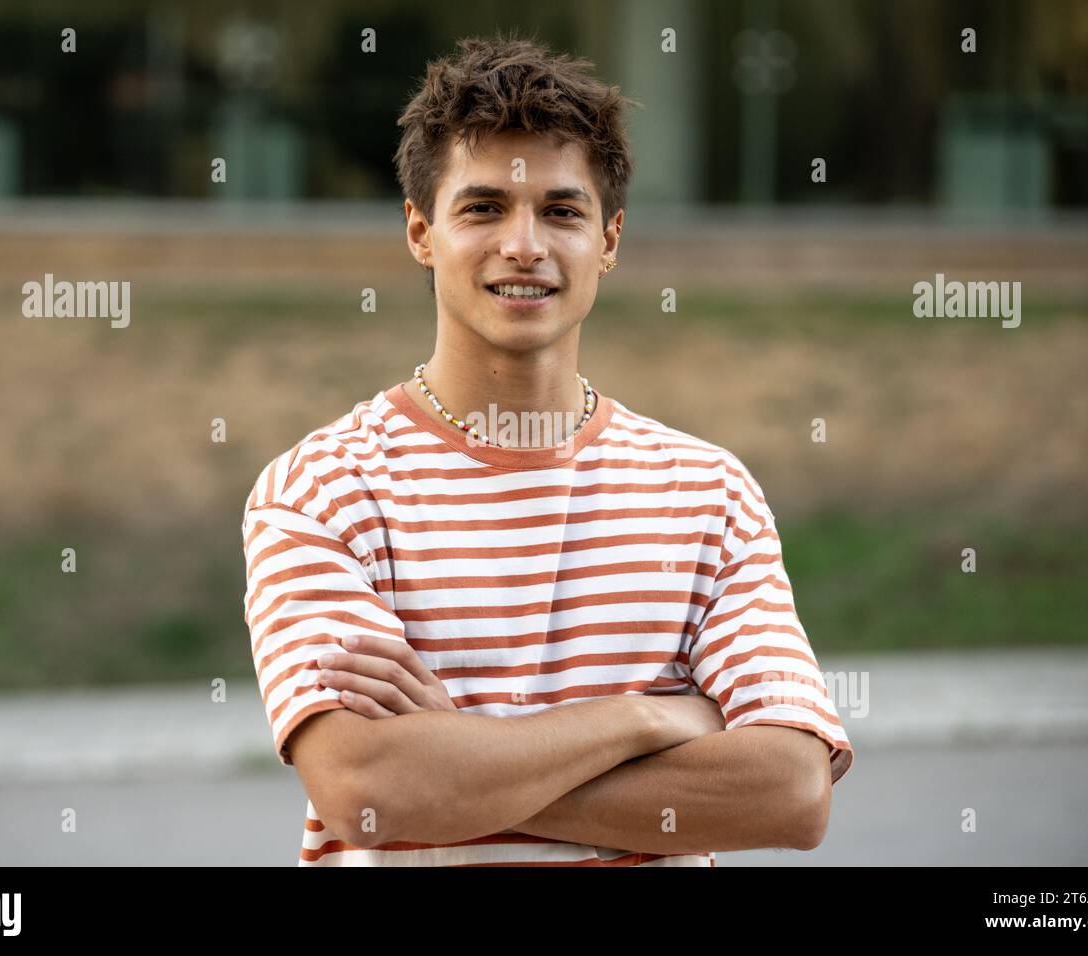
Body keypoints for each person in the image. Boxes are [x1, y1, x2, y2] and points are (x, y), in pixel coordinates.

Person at [242, 32, 853, 866]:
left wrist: (463, 760)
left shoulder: (709, 496)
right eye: (484, 207)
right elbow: (371, 794)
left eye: (562, 211)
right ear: (421, 231)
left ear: (609, 240)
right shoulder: (320, 491)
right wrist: (643, 719)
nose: (523, 244)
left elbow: (790, 792)